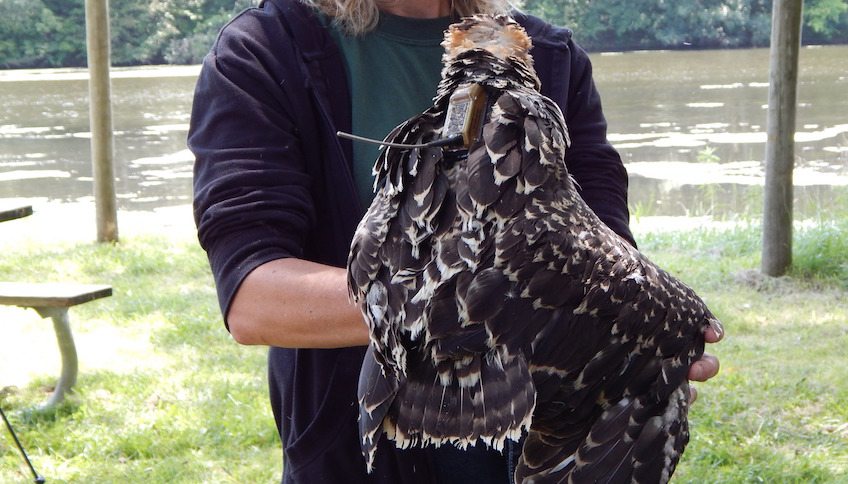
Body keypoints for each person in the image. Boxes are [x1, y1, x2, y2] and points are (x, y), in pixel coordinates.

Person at [188, 0, 723, 482]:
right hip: (359, 448)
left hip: (537, 431)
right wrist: (480, 306)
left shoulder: (553, 57)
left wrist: (645, 349)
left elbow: (609, 256)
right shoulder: (264, 52)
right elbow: (255, 300)